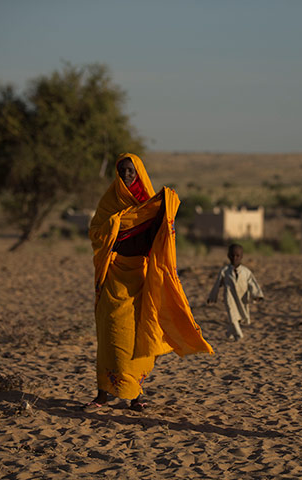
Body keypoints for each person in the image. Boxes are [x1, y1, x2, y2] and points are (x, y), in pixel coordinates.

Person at [85, 153, 213, 412]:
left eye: (131, 170)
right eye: (122, 170)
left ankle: (136, 396)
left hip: (142, 277)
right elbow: (97, 234)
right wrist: (118, 223)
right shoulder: (110, 202)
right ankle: (102, 395)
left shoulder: (151, 204)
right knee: (110, 338)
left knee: (138, 338)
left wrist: (162, 210)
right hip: (114, 278)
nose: (127, 175)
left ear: (140, 172)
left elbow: (159, 235)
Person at [207, 243, 264, 341]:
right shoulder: (224, 271)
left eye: (237, 255)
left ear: (242, 257)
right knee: (232, 315)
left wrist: (256, 295)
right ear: (228, 256)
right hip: (229, 298)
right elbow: (217, 284)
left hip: (242, 298)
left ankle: (229, 332)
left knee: (238, 317)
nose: (235, 258)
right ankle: (238, 335)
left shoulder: (246, 272)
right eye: (232, 255)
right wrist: (213, 296)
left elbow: (252, 283)